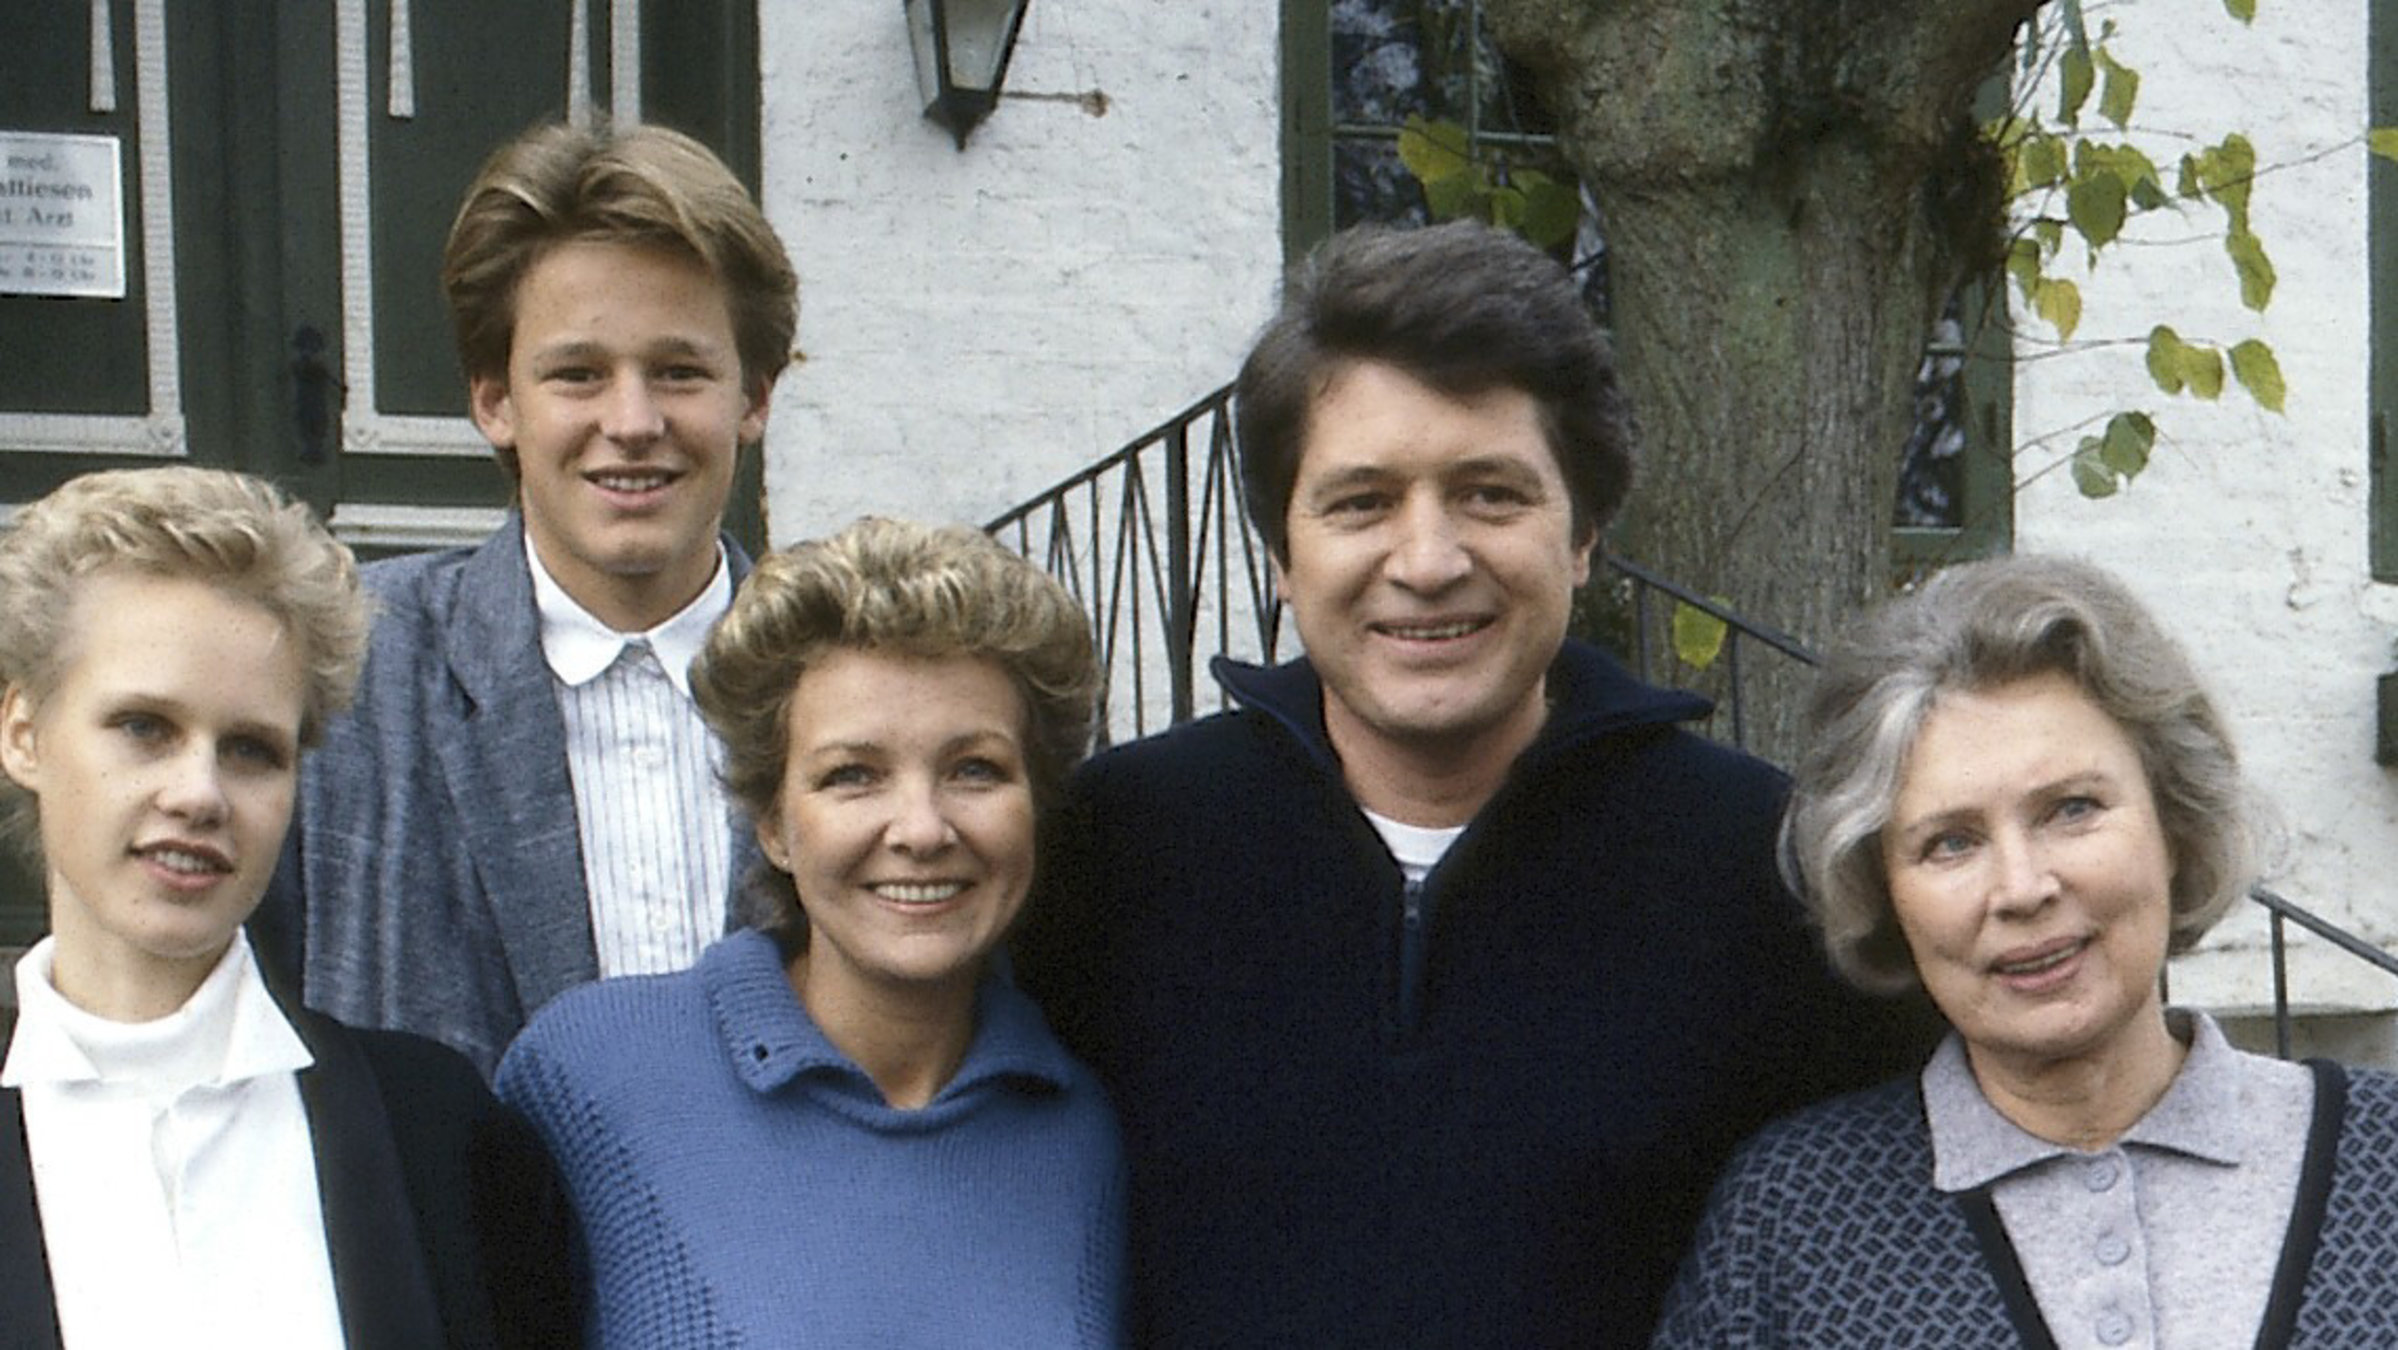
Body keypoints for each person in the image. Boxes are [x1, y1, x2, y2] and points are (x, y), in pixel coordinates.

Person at [1007, 219, 1932, 1348]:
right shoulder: (1108, 853)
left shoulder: (1766, 872)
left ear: (1584, 535)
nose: (1429, 559)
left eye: (1490, 493)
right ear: (1280, 555)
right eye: (1360, 502)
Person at [1652, 554, 2398, 1347]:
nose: (2021, 887)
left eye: (2071, 809)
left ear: (2173, 824)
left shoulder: (2383, 1161)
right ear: (1884, 891)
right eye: (1950, 843)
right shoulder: (1794, 1221)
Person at [494, 516, 1124, 1348]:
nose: (922, 828)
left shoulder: (1091, 1130)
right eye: (852, 775)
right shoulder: (590, 1076)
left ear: (1036, 805)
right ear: (773, 823)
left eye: (975, 769)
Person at [259, 118, 801, 1075]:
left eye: (679, 371)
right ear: (494, 401)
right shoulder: (345, 679)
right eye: (578, 374)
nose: (632, 423)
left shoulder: (834, 683)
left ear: (753, 397)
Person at [0, 466, 574, 1348]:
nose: (198, 793)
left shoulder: (439, 1134)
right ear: (24, 734)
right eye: (144, 727)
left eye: (252, 750)